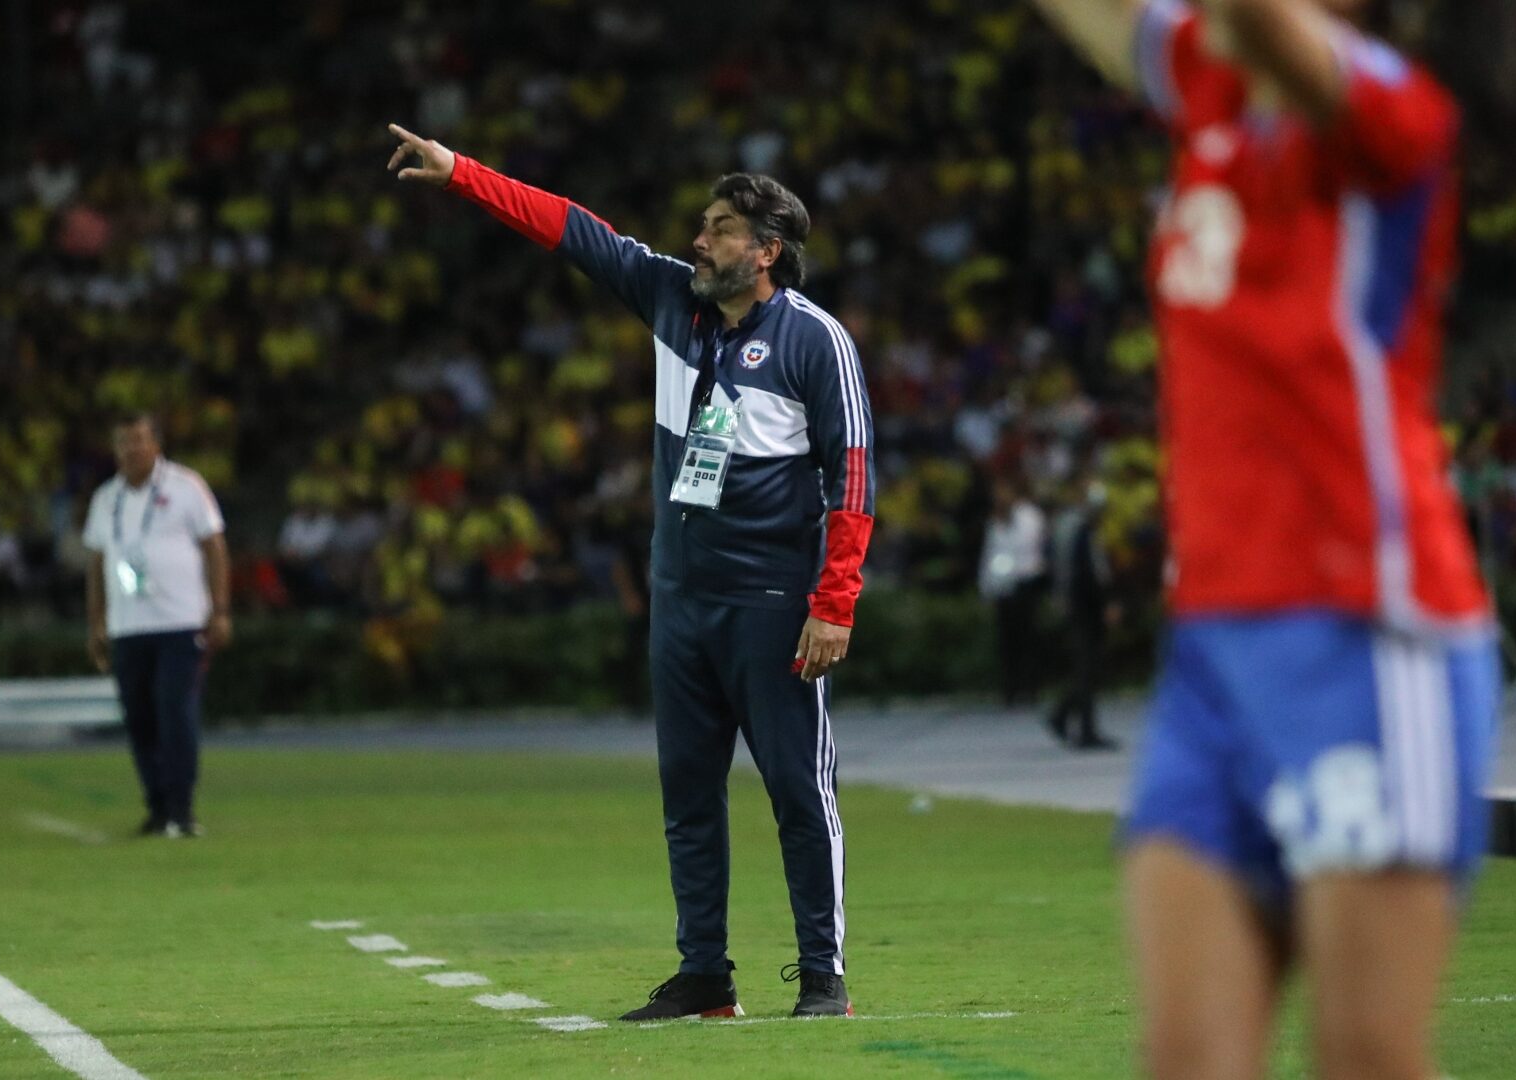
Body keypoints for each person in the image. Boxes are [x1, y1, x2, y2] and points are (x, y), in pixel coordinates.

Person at [1023, 2, 1500, 1077]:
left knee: (1366, 1057)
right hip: (1214, 652)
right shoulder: (1216, 82)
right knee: (1185, 1059)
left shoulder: (1389, 114)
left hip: (1365, 633)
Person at [387, 122, 874, 1021]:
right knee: (689, 799)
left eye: (721, 227)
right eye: (702, 223)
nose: (699, 239)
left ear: (766, 251)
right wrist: (461, 174)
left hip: (772, 605)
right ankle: (704, 976)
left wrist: (833, 603)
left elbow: (852, 478)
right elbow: (569, 227)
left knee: (800, 794)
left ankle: (822, 977)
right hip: (681, 600)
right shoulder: (667, 297)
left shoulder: (815, 341)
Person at [82, 413, 231, 839]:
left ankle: (181, 809)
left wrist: (219, 609)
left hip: (180, 622)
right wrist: (96, 622)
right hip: (129, 626)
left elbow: (214, 547)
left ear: (156, 445)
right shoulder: (105, 498)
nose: (131, 450)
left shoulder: (186, 487)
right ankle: (157, 806)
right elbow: (96, 564)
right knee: (139, 719)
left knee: (175, 713)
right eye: (123, 442)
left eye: (139, 441)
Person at [1046, 474, 1119, 751]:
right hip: (1085, 608)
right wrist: (1105, 604)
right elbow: (1088, 574)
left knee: (1087, 669)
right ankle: (1081, 728)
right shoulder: (1081, 530)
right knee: (1087, 669)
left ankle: (1064, 717)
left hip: (1078, 606)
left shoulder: (1070, 527)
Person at [978, 477, 1048, 707]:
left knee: (1028, 638)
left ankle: (1030, 689)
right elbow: (990, 554)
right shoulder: (995, 521)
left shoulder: (1030, 517)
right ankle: (1010, 689)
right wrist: (986, 586)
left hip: (1025, 582)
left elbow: (1027, 549)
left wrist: (1007, 523)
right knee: (1007, 641)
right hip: (1003, 586)